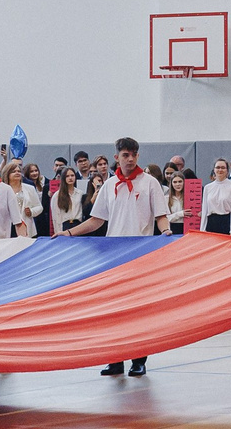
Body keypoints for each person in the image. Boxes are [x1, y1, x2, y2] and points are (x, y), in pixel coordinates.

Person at [70, 137, 167, 376]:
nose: (130, 158)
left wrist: (166, 232)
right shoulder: (109, 185)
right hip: (114, 255)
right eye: (125, 155)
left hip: (140, 253)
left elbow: (161, 215)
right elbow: (96, 220)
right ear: (117, 157)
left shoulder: (150, 183)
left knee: (138, 310)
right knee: (113, 310)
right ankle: (115, 359)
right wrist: (69, 232)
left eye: (134, 154)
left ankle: (139, 359)